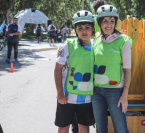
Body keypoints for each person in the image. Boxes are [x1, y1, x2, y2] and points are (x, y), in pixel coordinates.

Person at [92, 5, 132, 133]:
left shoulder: (123, 40)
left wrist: (124, 95)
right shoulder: (96, 39)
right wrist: (63, 48)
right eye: (105, 21)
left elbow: (127, 70)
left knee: (120, 129)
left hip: (115, 92)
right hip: (96, 91)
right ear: (99, 22)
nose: (109, 24)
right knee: (100, 128)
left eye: (112, 21)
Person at [54, 10, 95, 133]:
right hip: (67, 96)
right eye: (80, 28)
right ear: (75, 29)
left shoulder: (97, 45)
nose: (83, 31)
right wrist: (60, 93)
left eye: (87, 28)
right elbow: (57, 69)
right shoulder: (68, 45)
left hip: (86, 97)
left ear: (93, 28)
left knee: (83, 126)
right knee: (64, 126)